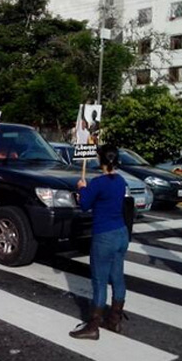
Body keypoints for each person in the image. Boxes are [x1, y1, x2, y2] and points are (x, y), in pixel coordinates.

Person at [69, 144, 128, 340]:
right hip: (121, 233)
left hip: (104, 235)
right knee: (117, 276)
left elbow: (84, 205)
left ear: (100, 160)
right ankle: (115, 319)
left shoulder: (97, 182)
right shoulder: (121, 181)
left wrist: (82, 189)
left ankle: (93, 325)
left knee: (99, 280)